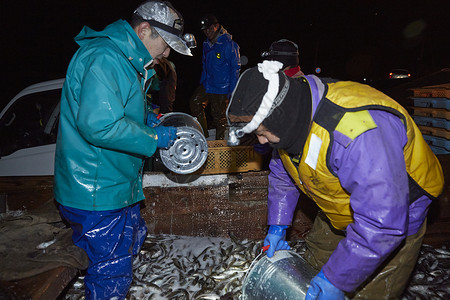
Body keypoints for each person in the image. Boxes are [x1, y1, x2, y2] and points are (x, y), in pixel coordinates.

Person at [226, 61, 444, 299]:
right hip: (340, 199)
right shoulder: (293, 118)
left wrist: (335, 280)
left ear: (281, 118)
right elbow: (283, 171)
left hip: (396, 212)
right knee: (310, 268)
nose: (262, 142)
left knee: (368, 292)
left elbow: (382, 223)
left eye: (261, 132)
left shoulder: (358, 133)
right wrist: (278, 225)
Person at [53, 1, 193, 298]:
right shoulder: (106, 59)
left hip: (116, 183)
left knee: (133, 237)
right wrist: (154, 139)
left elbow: (117, 111)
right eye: (165, 44)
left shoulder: (128, 62)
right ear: (144, 30)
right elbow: (100, 126)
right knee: (111, 269)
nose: (167, 53)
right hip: (95, 189)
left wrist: (147, 119)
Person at [189, 13, 241, 140]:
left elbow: (235, 68)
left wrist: (232, 91)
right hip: (208, 84)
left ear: (216, 26)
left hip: (222, 87)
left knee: (219, 117)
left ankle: (219, 144)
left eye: (209, 28)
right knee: (195, 102)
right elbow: (204, 65)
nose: (207, 32)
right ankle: (204, 135)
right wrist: (202, 82)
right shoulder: (206, 44)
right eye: (204, 30)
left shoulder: (230, 44)